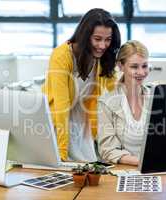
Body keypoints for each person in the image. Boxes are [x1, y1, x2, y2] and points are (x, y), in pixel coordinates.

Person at [42, 8, 121, 162]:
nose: (103, 45)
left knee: (89, 168)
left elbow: (115, 95)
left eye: (108, 39)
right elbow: (61, 106)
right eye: (97, 39)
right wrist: (61, 151)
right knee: (63, 171)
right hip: (58, 121)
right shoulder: (62, 56)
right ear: (85, 36)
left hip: (82, 120)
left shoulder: (101, 57)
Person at [97, 40, 151, 166]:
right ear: (120, 66)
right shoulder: (107, 102)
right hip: (124, 170)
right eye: (134, 66)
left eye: (144, 66)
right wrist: (142, 162)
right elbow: (107, 150)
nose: (141, 72)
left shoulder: (154, 98)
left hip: (156, 168)